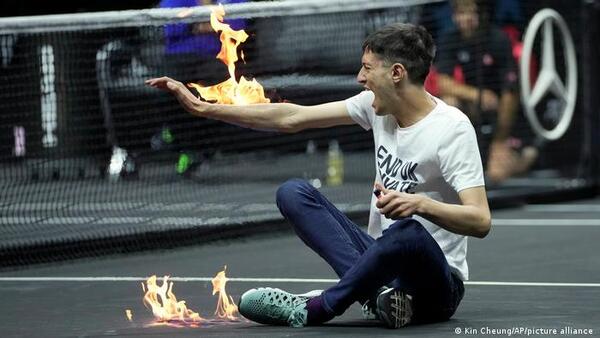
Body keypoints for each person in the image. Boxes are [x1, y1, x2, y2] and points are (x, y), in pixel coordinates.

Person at [146, 22, 491, 329]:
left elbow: (479, 220)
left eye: (367, 68)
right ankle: (380, 297)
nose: (360, 77)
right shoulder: (374, 108)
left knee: (407, 233)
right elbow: (291, 118)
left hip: (436, 285)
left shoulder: (451, 129)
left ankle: (317, 307)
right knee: (293, 192)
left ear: (397, 73)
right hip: (381, 265)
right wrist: (203, 108)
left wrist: (419, 204)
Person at [435, 0, 537, 184]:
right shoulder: (450, 39)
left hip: (504, 111)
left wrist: (500, 139)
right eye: (460, 13)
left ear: (481, 15)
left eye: (470, 14)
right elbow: (443, 83)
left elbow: (511, 92)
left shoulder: (498, 40)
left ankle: (526, 153)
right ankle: (455, 157)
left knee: (497, 174)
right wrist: (477, 95)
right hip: (477, 105)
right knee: (449, 101)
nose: (465, 19)